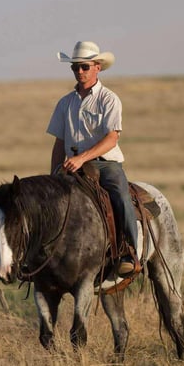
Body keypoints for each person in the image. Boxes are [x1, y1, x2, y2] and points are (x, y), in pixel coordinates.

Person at [47, 41, 139, 277]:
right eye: (75, 67)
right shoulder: (65, 103)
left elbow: (112, 138)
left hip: (104, 163)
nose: (79, 71)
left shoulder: (109, 99)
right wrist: (53, 174)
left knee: (120, 194)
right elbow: (59, 142)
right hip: (71, 165)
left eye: (84, 67)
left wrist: (82, 158)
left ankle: (129, 252)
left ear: (97, 67)